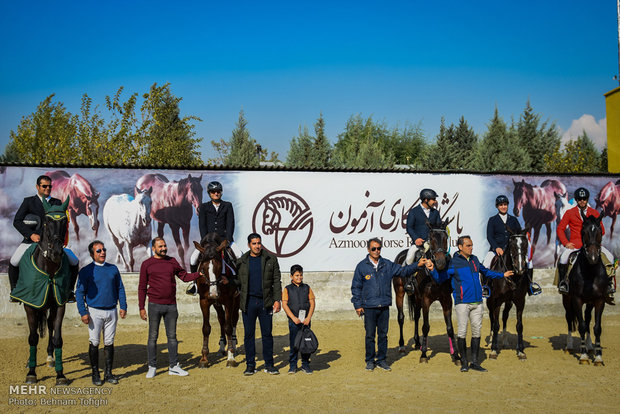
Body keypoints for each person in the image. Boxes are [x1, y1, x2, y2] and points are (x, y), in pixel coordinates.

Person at [431, 235, 512, 372]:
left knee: (476, 332)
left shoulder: (474, 259)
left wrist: (502, 275)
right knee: (462, 333)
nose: (471, 248)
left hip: (478, 303)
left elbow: (486, 272)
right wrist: (433, 270)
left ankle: (474, 362)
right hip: (462, 303)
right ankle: (464, 362)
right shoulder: (454, 262)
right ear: (460, 247)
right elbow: (441, 278)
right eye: (468, 245)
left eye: (472, 245)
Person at [351, 237, 431, 372]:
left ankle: (381, 360)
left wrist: (417, 265)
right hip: (369, 307)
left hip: (383, 306)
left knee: (383, 335)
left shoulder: (387, 264)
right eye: (373, 249)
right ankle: (370, 360)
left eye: (378, 248)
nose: (376, 251)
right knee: (370, 335)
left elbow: (403, 271)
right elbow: (356, 287)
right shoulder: (361, 266)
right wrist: (357, 305)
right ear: (368, 250)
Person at [138, 237, 203, 378]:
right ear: (153, 248)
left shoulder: (172, 261)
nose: (163, 248)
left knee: (172, 337)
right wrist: (141, 307)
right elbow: (142, 287)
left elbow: (184, 276)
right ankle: (152, 366)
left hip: (171, 306)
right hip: (154, 306)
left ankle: (173, 366)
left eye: (165, 246)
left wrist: (199, 274)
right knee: (152, 337)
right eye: (160, 246)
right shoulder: (146, 264)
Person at [9, 175, 79, 302]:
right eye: (44, 186)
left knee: (74, 261)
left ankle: (70, 291)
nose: (47, 188)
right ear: (38, 187)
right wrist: (30, 234)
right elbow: (17, 221)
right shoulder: (28, 201)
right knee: (14, 261)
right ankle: (14, 291)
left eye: (49, 186)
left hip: (53, 243)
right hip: (31, 241)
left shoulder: (57, 203)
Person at [75, 241, 127, 386]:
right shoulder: (86, 271)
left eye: (103, 250)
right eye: (98, 251)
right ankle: (95, 373)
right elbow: (79, 293)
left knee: (109, 343)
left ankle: (108, 372)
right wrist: (83, 312)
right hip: (94, 312)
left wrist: (123, 306)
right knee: (95, 342)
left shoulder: (113, 269)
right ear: (92, 254)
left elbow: (120, 288)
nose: (102, 252)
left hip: (112, 311)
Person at [556, 187, 615, 304]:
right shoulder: (570, 213)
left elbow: (602, 230)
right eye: (579, 199)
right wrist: (566, 243)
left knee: (611, 257)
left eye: (584, 199)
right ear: (576, 200)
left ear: (587, 199)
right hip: (576, 244)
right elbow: (560, 229)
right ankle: (563, 283)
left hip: (593, 245)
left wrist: (595, 242)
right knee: (563, 258)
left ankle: (609, 285)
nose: (582, 201)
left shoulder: (594, 212)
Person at [235, 233, 282, 376]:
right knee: (249, 335)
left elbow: (276, 280)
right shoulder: (242, 261)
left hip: (265, 303)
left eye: (259, 243)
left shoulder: (271, 259)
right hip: (248, 303)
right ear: (249, 245)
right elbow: (237, 282)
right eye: (254, 243)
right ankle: (250, 365)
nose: (257, 246)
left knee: (267, 334)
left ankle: (269, 365)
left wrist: (277, 299)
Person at [187, 181, 241, 295]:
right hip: (208, 241)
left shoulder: (227, 205)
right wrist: (206, 242)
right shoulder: (204, 207)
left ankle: (239, 284)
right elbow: (202, 225)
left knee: (239, 255)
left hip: (224, 240)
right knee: (193, 258)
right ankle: (194, 284)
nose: (216, 193)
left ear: (221, 193)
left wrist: (227, 240)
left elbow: (230, 224)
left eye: (218, 191)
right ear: (209, 193)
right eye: (213, 192)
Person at [483, 195, 541, 296]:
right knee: (486, 264)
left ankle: (530, 285)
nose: (503, 207)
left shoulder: (513, 220)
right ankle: (486, 286)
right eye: (501, 205)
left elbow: (519, 234)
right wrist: (496, 247)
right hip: (496, 249)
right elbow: (489, 236)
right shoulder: (492, 220)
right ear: (497, 206)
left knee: (529, 263)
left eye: (505, 204)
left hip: (512, 250)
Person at [403, 188, 442, 293]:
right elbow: (409, 227)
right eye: (433, 199)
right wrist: (416, 239)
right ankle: (409, 281)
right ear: (426, 200)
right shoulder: (414, 211)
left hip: (433, 244)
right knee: (410, 257)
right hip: (419, 243)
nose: (435, 201)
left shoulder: (435, 213)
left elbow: (439, 228)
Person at [282, 264, 316, 374]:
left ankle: (305, 364)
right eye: (297, 275)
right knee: (294, 343)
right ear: (291, 276)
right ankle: (293, 365)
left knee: (306, 343)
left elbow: (312, 303)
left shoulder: (307, 288)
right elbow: (285, 304)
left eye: (301, 275)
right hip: (294, 322)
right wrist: (293, 318)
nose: (299, 277)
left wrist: (308, 318)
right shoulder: (287, 289)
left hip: (305, 322)